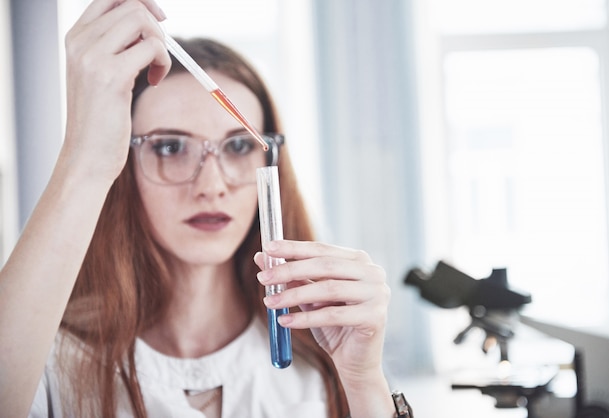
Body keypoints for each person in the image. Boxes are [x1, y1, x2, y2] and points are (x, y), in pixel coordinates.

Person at [0, 0, 411, 417]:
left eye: (238, 145)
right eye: (170, 146)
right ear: (124, 166)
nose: (211, 186)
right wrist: (83, 160)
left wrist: (364, 386)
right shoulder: (46, 360)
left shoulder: (326, 355)